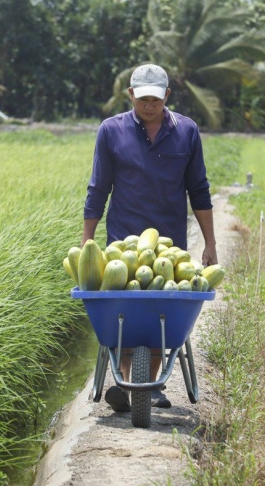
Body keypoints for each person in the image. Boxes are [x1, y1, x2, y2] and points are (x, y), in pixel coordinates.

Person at [82, 63, 218, 413]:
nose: (148, 105)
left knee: (164, 312)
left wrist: (211, 243)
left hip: (169, 247)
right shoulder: (111, 131)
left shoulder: (186, 131)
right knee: (123, 314)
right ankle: (136, 384)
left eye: (155, 99)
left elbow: (198, 191)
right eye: (141, 98)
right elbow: (98, 188)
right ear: (130, 95)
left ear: (166, 97)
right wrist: (87, 242)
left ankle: (142, 384)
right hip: (122, 244)